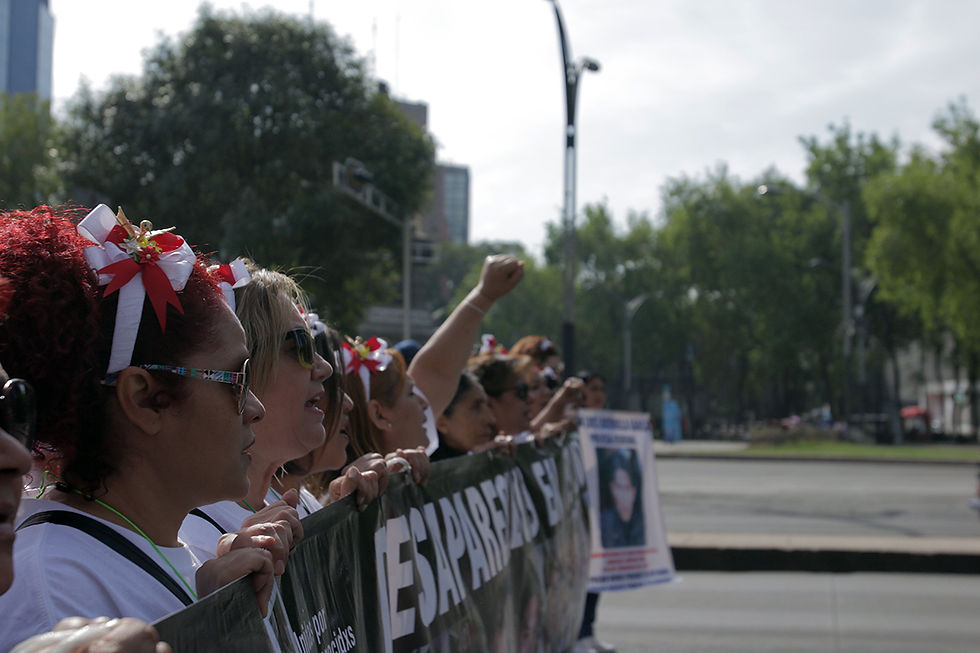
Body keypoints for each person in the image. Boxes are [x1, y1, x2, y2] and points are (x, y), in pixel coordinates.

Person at [0, 205, 278, 649]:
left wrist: (213, 609)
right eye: (238, 380)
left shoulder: (171, 549)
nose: (256, 408)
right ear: (144, 399)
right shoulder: (55, 593)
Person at [179, 266, 335, 559]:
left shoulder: (298, 505)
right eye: (301, 346)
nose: (324, 368)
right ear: (240, 367)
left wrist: (349, 513)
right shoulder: (192, 539)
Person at [345, 254, 524, 460]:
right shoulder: (345, 491)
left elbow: (437, 373)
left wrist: (485, 295)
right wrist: (483, 296)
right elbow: (435, 373)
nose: (424, 403)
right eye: (411, 393)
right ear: (379, 414)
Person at [572, 370, 615, 653]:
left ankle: (588, 631)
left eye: (601, 388)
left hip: (602, 509)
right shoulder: (568, 425)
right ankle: (576, 633)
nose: (598, 394)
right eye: (592, 389)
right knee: (579, 576)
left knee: (598, 574)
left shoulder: (610, 425)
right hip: (577, 511)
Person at [430, 371, 514, 462]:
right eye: (476, 407)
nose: (491, 419)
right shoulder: (423, 473)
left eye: (488, 406)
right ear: (441, 422)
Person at [599, 449, 644, 549]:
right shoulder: (605, 524)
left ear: (634, 491)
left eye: (627, 488)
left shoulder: (642, 525)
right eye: (619, 487)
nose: (624, 497)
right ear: (612, 488)